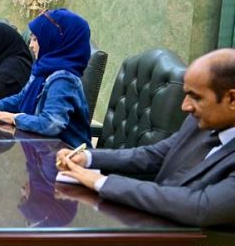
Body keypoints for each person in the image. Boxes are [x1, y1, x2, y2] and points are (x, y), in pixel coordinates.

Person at [57, 48, 235, 227]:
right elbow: (154, 155)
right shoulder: (200, 122)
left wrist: (102, 182)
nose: (185, 106)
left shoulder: (204, 120)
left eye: (196, 97)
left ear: (232, 99)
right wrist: (88, 157)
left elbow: (200, 208)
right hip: (153, 223)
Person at [0, 9, 91, 148]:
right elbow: (22, 98)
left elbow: (51, 124)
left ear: (54, 41)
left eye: (36, 39)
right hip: (41, 148)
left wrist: (14, 118)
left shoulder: (63, 79)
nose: (31, 45)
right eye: (31, 38)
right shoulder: (42, 69)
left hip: (66, 153)